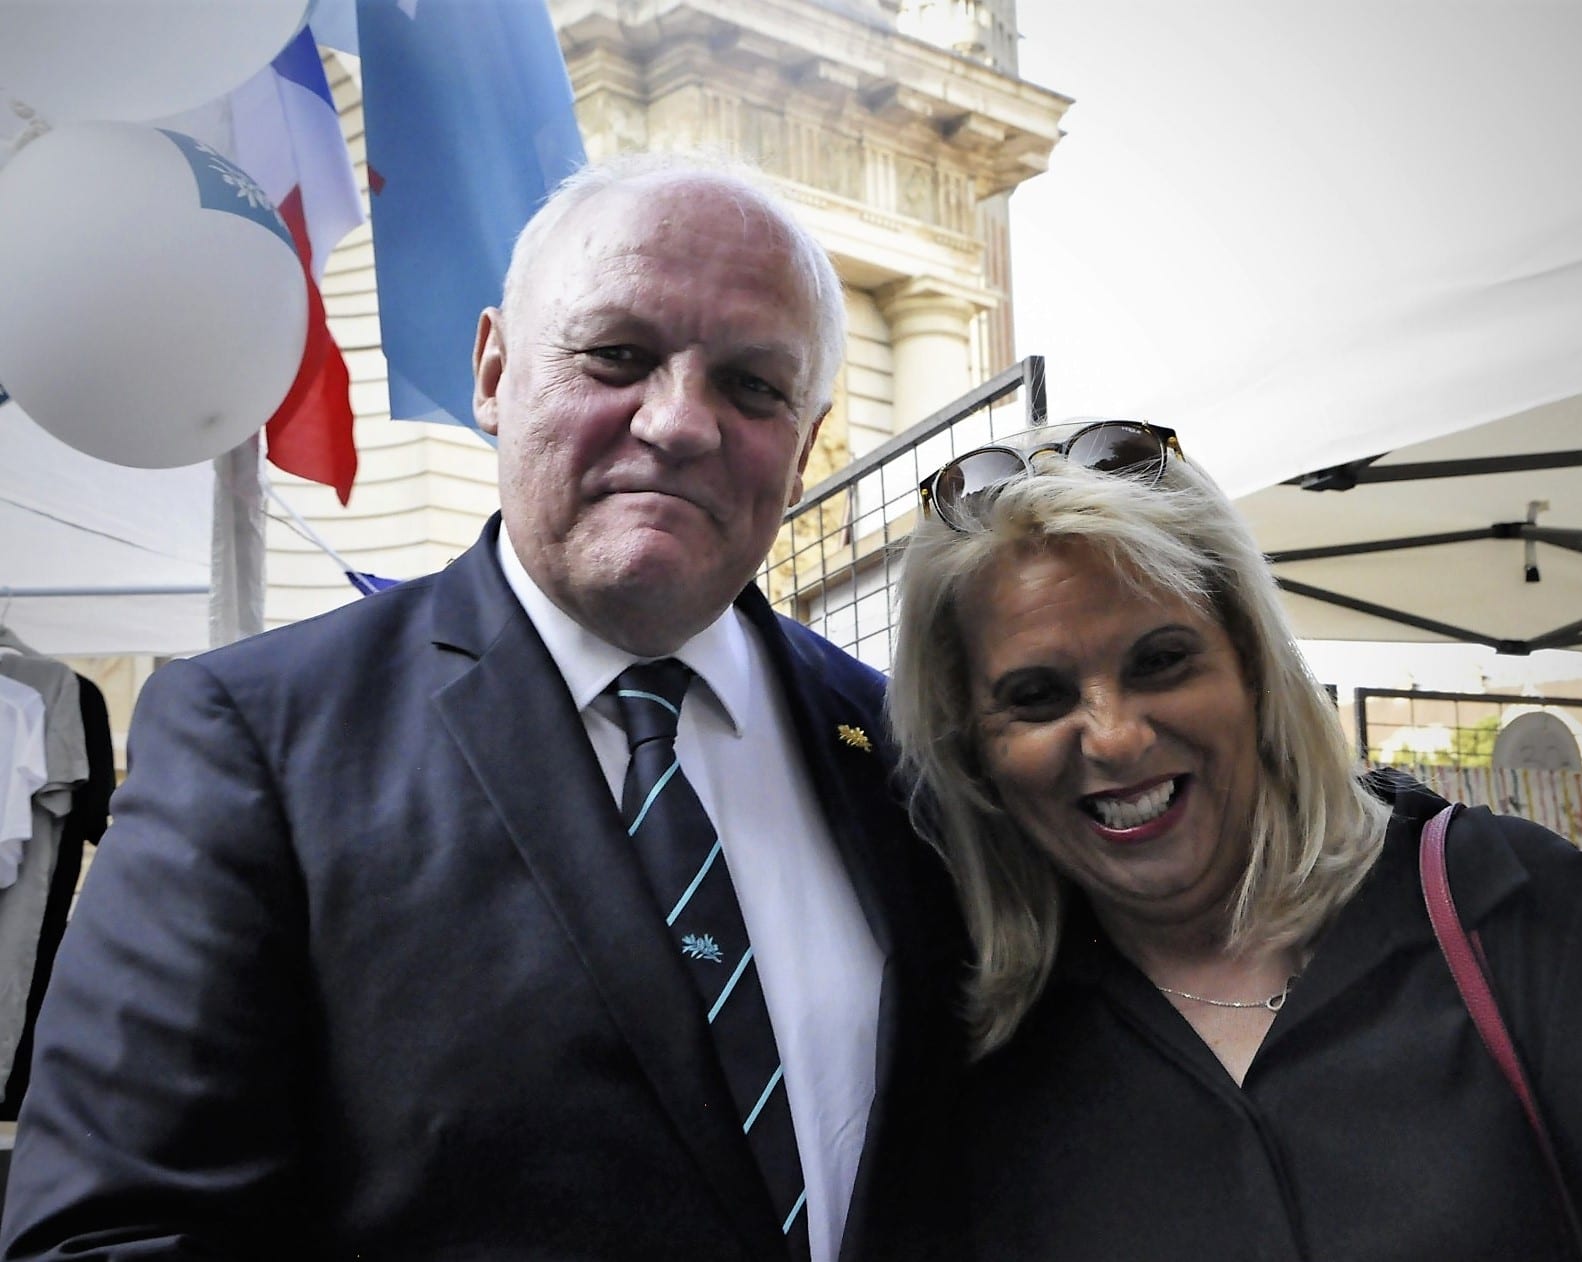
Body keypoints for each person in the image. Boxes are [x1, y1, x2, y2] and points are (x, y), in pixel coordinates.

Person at [0, 155, 964, 1262]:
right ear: (495, 371)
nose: (678, 422)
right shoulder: (260, 737)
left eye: (752, 385)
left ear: (803, 448)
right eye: (617, 355)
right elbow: (112, 1232)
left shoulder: (902, 753)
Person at [887, 418, 1582, 1261]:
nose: (1115, 737)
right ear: (971, 746)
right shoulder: (971, 1059)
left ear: (1252, 667)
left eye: (1159, 661)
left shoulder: (1516, 912)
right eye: (1037, 697)